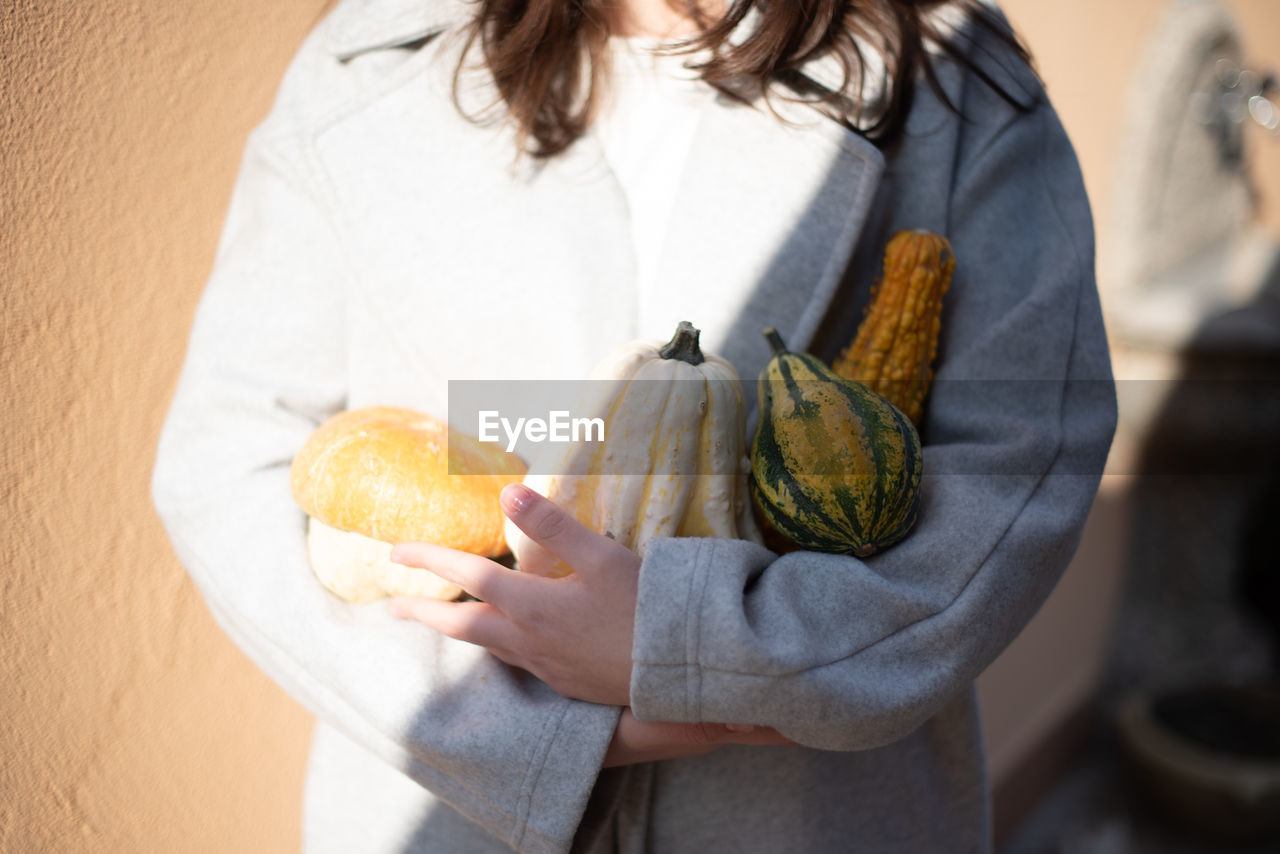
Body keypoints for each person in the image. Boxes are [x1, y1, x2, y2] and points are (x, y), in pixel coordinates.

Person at [152, 0, 1117, 851]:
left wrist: (698, 641)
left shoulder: (949, 72)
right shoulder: (371, 55)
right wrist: (526, 723)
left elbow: (1018, 465)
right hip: (448, 814)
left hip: (804, 812)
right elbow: (232, 453)